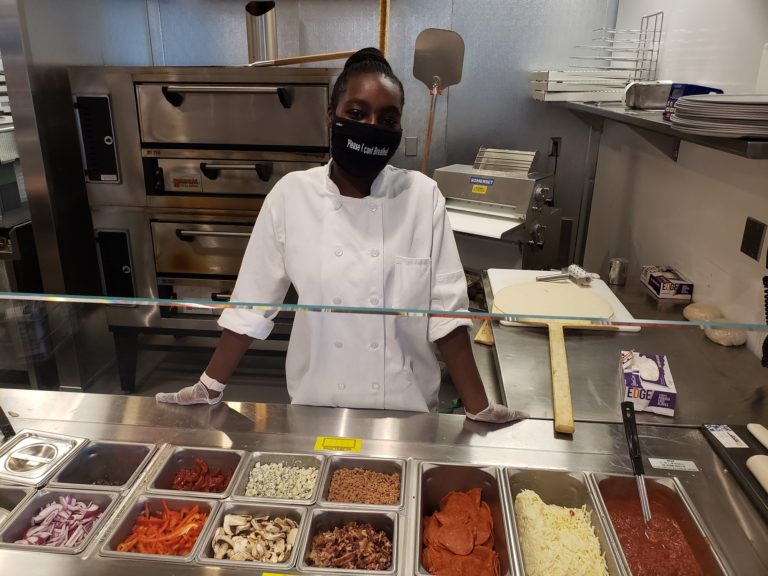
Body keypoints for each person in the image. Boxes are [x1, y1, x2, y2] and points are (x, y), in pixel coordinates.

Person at [156, 48, 526, 424]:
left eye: (387, 119)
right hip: (318, 405)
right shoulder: (291, 195)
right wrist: (209, 386)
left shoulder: (421, 195)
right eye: (357, 113)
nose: (371, 127)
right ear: (331, 117)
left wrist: (478, 407)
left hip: (407, 411)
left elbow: (445, 313)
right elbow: (251, 304)